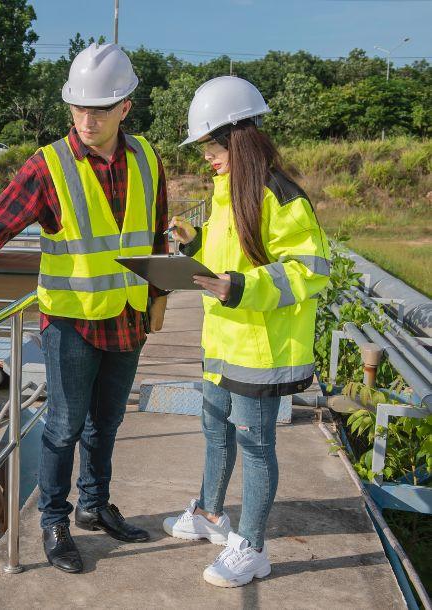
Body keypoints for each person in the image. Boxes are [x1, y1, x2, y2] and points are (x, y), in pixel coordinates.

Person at [0, 43, 170, 574]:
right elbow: (0, 219)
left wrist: (158, 299)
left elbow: (156, 237)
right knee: (62, 426)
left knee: (107, 422)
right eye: (79, 107)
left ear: (125, 106)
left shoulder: (147, 158)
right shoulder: (49, 165)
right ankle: (53, 522)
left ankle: (94, 506)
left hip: (127, 315)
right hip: (72, 321)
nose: (87, 119)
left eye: (99, 108)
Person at [162, 76, 331, 588]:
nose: (207, 156)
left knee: (255, 444)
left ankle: (253, 548)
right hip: (224, 339)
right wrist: (191, 248)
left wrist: (239, 286)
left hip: (261, 345)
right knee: (214, 428)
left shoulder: (280, 195)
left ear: (238, 138)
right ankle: (212, 516)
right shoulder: (226, 194)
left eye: (212, 145)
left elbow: (311, 269)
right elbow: (222, 262)